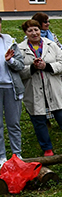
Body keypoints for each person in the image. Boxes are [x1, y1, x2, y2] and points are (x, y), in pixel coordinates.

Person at [17, 19, 62, 156]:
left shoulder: (51, 45)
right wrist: (33, 67)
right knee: (39, 120)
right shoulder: (20, 49)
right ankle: (47, 148)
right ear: (25, 33)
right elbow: (18, 70)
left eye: (36, 29)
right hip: (34, 90)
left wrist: (46, 66)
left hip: (53, 88)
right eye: (30, 30)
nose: (34, 33)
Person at [32, 11, 62, 114]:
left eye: (48, 21)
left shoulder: (52, 36)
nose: (48, 24)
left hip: (54, 69)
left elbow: (60, 53)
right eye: (45, 22)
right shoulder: (31, 38)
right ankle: (46, 118)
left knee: (58, 94)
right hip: (40, 73)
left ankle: (60, 114)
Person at [0, 17, 24, 165]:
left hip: (11, 87)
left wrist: (10, 61)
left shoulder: (10, 42)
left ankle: (17, 154)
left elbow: (20, 66)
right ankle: (1, 156)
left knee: (13, 123)